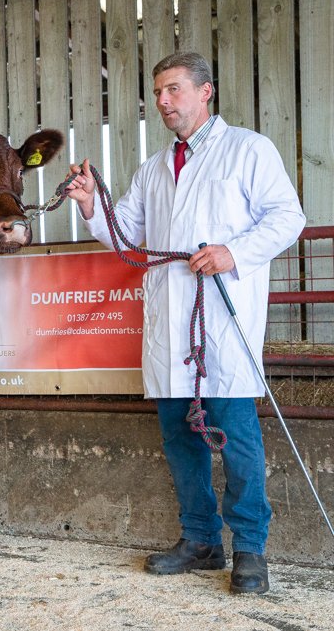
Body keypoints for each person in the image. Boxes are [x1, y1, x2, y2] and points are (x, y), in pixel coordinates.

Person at [64, 52, 306, 594]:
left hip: (222, 310)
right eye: (158, 93)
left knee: (237, 436)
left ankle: (250, 549)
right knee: (180, 437)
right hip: (171, 319)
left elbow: (288, 217)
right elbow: (125, 233)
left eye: (173, 89)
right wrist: (88, 204)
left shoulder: (247, 150)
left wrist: (233, 252)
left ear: (206, 92)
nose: (164, 101)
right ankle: (200, 540)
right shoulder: (153, 167)